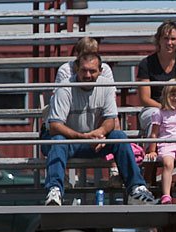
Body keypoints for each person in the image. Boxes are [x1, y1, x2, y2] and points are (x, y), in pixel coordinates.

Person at [43, 52, 156, 206]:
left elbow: (110, 120)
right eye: (84, 70)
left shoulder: (106, 86)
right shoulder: (64, 88)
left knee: (119, 136)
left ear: (100, 71)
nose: (87, 75)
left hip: (93, 140)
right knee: (57, 141)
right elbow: (55, 127)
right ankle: (54, 190)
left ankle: (136, 188)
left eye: (92, 71)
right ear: (77, 69)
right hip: (68, 140)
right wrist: (83, 137)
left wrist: (100, 133)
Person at [55, 37, 119, 179]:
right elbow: (61, 96)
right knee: (59, 134)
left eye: (93, 52)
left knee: (113, 118)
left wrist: (100, 132)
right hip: (72, 114)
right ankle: (64, 175)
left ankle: (114, 167)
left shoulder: (105, 68)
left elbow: (109, 96)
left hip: (95, 115)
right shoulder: (65, 69)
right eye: (85, 52)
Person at [136, 20, 176, 139]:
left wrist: (175, 109)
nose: (169, 42)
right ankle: (152, 153)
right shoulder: (146, 63)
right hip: (155, 107)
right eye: (165, 38)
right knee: (155, 117)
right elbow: (144, 98)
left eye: (173, 39)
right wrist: (165, 108)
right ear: (158, 40)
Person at [145, 82, 176, 205]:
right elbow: (154, 133)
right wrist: (152, 150)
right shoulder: (159, 112)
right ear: (166, 95)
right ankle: (166, 195)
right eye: (173, 95)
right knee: (168, 164)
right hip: (166, 144)